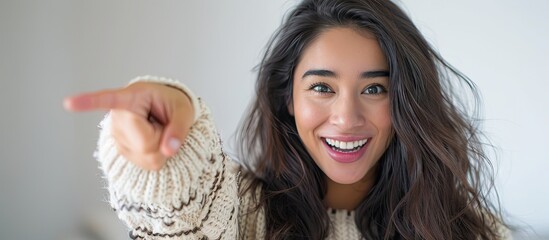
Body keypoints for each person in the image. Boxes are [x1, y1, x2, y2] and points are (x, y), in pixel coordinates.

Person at [64, 0, 510, 239]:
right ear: (288, 98)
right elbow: (179, 217)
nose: (347, 117)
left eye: (375, 88)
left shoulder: (471, 230)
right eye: (322, 87)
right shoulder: (240, 214)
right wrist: (158, 141)